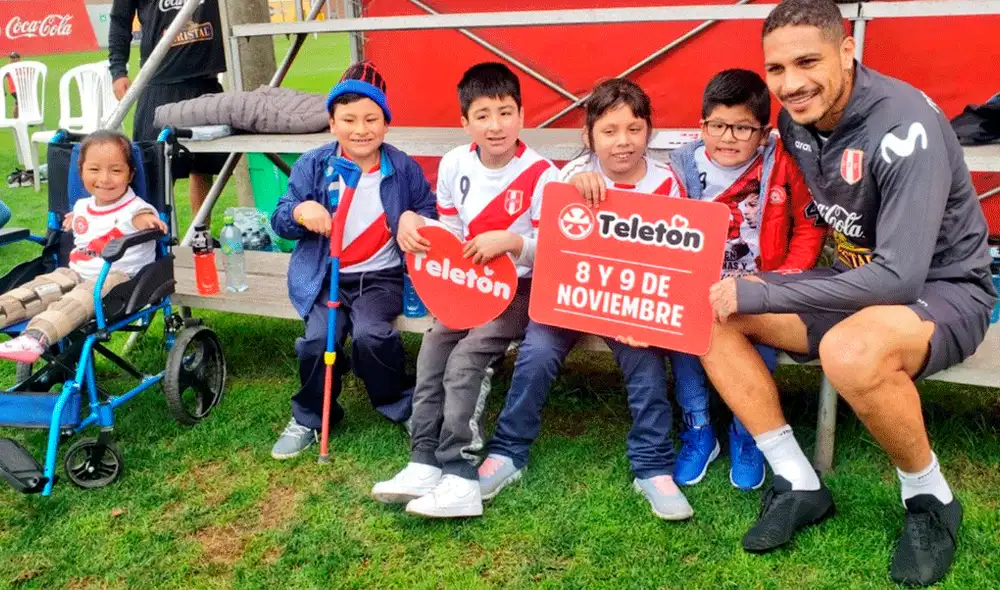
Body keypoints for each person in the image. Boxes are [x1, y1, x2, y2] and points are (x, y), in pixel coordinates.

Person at [701, 1, 998, 586]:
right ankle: (797, 480)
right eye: (777, 68)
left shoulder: (902, 124)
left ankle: (931, 500)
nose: (790, 83)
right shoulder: (795, 119)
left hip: (945, 291)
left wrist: (762, 293)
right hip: (853, 281)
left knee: (848, 351)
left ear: (847, 51)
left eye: (807, 61)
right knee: (709, 311)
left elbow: (900, 278)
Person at [477, 78, 696, 521]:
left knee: (647, 361)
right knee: (536, 353)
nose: (622, 142)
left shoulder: (666, 183)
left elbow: (675, 261)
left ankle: (652, 466)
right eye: (609, 131)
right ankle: (508, 453)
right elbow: (543, 248)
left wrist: (644, 319)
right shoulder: (566, 176)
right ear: (589, 136)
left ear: (649, 132)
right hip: (570, 293)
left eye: (634, 130)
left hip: (628, 300)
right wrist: (574, 190)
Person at [371, 62, 558, 518]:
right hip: (470, 285)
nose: (495, 125)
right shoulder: (456, 163)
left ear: (521, 115)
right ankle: (423, 461)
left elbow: (552, 252)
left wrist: (513, 243)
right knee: (434, 346)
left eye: (505, 112)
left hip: (521, 293)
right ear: (465, 122)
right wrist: (414, 223)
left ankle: (459, 474)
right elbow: (451, 233)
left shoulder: (542, 174)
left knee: (468, 356)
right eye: (483, 114)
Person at [269, 62, 436, 460]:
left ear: (386, 123)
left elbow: (428, 209)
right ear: (331, 124)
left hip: (381, 278)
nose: (360, 129)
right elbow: (281, 216)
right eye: (348, 119)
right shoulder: (313, 164)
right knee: (316, 342)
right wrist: (300, 212)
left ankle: (397, 402)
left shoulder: (402, 167)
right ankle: (310, 416)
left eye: (371, 119)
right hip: (326, 276)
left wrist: (416, 218)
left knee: (372, 337)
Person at [666, 69, 825, 490]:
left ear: (763, 132)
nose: (729, 137)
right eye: (717, 125)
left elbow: (809, 226)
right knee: (684, 341)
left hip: (759, 287)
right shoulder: (679, 168)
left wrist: (783, 279)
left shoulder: (782, 166)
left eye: (742, 128)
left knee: (761, 345)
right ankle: (699, 428)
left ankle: (749, 431)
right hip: (697, 290)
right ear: (701, 126)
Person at [0, 131, 167, 363]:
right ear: (81, 173)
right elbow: (81, 220)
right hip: (76, 272)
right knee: (41, 287)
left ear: (131, 175)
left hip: (119, 280)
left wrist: (149, 222)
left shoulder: (134, 207)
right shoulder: (81, 205)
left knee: (81, 298)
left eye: (116, 170)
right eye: (94, 170)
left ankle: (34, 337)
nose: (105, 179)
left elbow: (143, 216)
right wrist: (72, 220)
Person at [108, 0, 227, 228]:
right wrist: (118, 69)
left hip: (205, 79)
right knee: (152, 169)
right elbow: (120, 19)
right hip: (159, 80)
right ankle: (153, 241)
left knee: (203, 165)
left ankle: (201, 234)